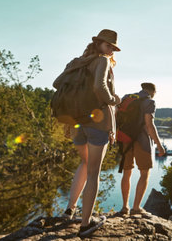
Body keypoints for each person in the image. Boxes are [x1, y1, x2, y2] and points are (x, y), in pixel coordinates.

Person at [61, 29, 121, 237]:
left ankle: (70, 209)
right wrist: (114, 100)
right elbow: (100, 87)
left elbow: (57, 84)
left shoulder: (77, 62)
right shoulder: (102, 61)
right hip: (96, 124)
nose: (111, 50)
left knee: (84, 164)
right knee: (94, 172)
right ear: (99, 44)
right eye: (108, 45)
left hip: (77, 122)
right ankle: (86, 224)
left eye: (113, 47)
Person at [119, 82, 166, 216]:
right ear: (152, 91)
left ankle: (124, 207)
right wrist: (159, 144)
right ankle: (136, 208)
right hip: (142, 141)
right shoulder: (149, 102)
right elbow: (149, 125)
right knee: (144, 173)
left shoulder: (127, 97)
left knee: (126, 173)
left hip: (125, 139)